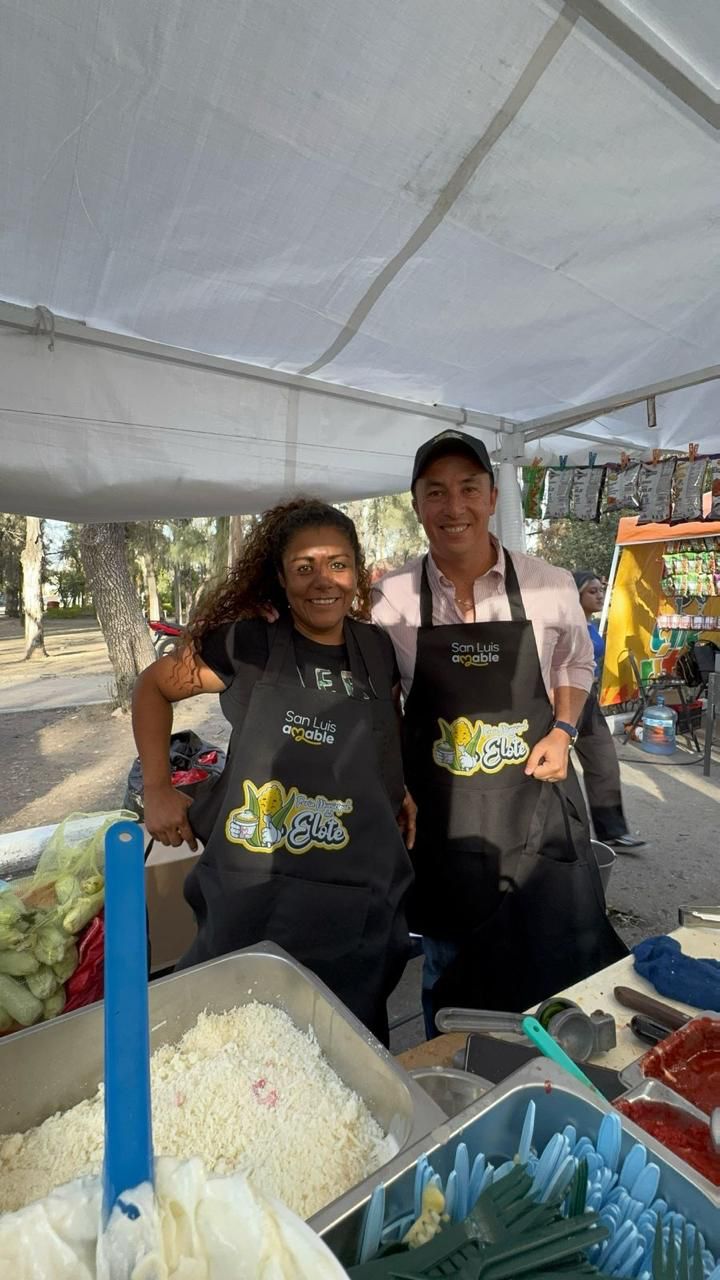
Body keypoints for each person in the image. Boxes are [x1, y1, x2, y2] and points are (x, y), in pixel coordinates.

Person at [372, 429, 627, 1034]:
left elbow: (575, 660)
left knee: (547, 966)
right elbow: (383, 698)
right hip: (443, 820)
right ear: (416, 505)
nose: (452, 507)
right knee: (447, 970)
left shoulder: (550, 585)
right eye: (436, 492)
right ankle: (455, 1076)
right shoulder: (390, 598)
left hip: (532, 803)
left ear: (491, 496)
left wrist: (564, 731)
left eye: (467, 488)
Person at [132, 499, 415, 1044]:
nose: (322, 581)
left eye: (337, 564)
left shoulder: (377, 648)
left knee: (345, 1046)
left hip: (352, 900)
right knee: (235, 1041)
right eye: (303, 567)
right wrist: (157, 785)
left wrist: (397, 788)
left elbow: (385, 727)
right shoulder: (248, 645)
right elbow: (153, 687)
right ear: (280, 578)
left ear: (356, 571)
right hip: (255, 893)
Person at [572, 570, 645, 850]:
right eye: (592, 591)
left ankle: (612, 831)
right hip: (565, 700)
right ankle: (563, 840)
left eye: (601, 590)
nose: (600, 595)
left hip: (589, 701)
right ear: (575, 595)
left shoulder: (590, 625)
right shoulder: (565, 624)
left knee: (604, 764)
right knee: (555, 773)